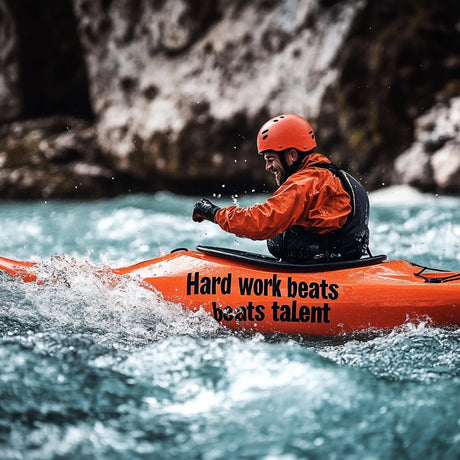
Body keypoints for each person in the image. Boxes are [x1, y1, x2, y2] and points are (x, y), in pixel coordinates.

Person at [192, 114, 370, 262]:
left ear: (292, 155)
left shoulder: (307, 182)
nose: (268, 167)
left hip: (319, 278)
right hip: (333, 268)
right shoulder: (334, 177)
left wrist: (214, 213)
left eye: (270, 159)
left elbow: (262, 222)